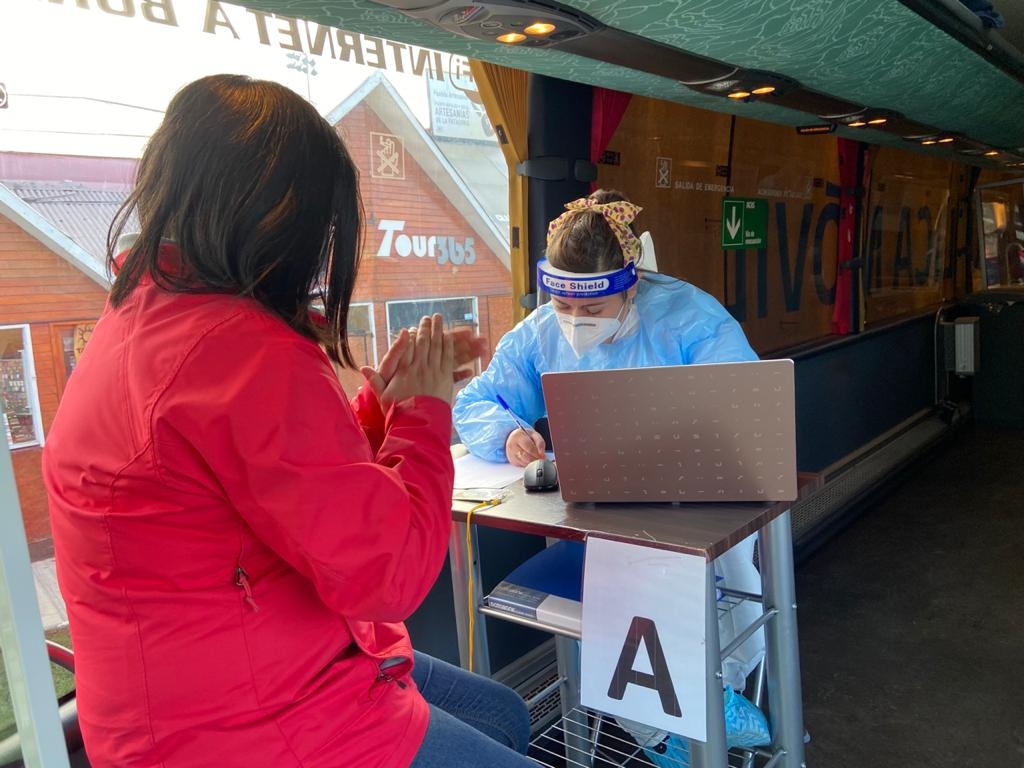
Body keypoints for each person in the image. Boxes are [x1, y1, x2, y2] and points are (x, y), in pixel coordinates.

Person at [42, 74, 532, 768]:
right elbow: (388, 575)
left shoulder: (143, 318)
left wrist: (384, 405)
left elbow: (278, 484)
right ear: (279, 215)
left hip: (198, 699)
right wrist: (424, 414)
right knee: (506, 723)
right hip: (255, 726)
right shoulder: (241, 352)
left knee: (502, 714)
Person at [452, 189, 770, 760]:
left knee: (695, 600)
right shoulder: (540, 330)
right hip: (598, 521)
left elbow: (745, 410)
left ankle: (713, 695)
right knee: (622, 604)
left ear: (630, 286)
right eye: (564, 307)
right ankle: (669, 728)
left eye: (592, 311)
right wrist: (507, 433)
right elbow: (478, 399)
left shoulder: (690, 319)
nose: (575, 324)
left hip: (695, 515)